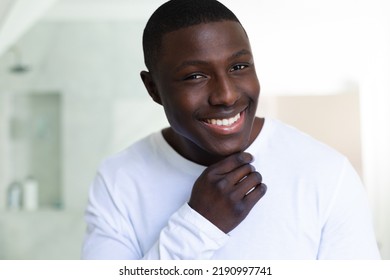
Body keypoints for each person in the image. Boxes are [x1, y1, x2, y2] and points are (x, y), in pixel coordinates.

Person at [82, 0, 380, 259]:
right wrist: (200, 225)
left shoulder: (326, 173)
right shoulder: (118, 180)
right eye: (195, 76)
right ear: (153, 89)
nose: (225, 95)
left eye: (239, 67)